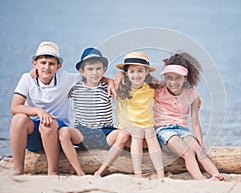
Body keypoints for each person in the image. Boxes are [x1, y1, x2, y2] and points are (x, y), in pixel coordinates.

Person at [10, 41, 82, 175]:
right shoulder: (27, 79)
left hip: (57, 133)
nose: (46, 67)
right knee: (18, 119)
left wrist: (111, 80)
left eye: (51, 64)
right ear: (34, 64)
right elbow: (15, 107)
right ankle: (18, 170)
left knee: (47, 123)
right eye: (43, 63)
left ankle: (52, 171)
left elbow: (92, 77)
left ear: (58, 66)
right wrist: (39, 111)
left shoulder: (65, 78)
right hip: (34, 134)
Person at [153, 52, 225, 181]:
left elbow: (196, 124)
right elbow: (140, 81)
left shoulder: (191, 94)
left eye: (178, 78)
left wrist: (201, 144)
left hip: (182, 130)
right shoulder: (158, 91)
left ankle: (216, 175)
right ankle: (200, 179)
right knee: (188, 153)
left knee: (199, 152)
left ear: (185, 78)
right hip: (164, 130)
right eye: (169, 77)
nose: (173, 82)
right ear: (165, 77)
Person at [95, 52, 165, 178]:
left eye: (140, 71)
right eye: (132, 71)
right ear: (127, 73)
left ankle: (161, 175)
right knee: (134, 131)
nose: (136, 75)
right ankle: (135, 174)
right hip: (125, 133)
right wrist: (119, 74)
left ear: (146, 72)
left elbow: (173, 86)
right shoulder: (121, 86)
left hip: (146, 135)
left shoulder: (150, 88)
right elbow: (96, 77)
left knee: (149, 132)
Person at [58, 47, 121, 176]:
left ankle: (101, 170)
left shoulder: (108, 87)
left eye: (98, 69)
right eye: (90, 69)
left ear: (104, 70)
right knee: (63, 132)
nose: (95, 73)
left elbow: (123, 77)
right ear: (82, 71)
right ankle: (79, 171)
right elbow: (55, 81)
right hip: (82, 133)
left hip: (105, 132)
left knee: (123, 134)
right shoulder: (75, 88)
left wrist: (113, 79)